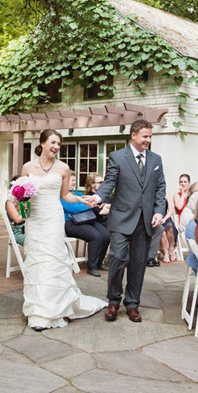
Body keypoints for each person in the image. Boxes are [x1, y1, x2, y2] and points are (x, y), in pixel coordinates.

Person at [21, 129, 107, 331]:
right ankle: (37, 310)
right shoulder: (27, 167)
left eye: (59, 144)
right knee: (36, 262)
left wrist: (81, 199)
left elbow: (65, 195)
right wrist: (21, 206)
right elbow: (22, 193)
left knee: (52, 261)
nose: (56, 147)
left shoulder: (63, 168)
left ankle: (54, 309)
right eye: (53, 142)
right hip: (35, 220)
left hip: (53, 218)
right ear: (42, 143)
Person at [83, 119, 166, 323]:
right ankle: (113, 301)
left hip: (145, 221)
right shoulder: (117, 157)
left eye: (150, 136)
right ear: (134, 135)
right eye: (145, 136)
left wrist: (158, 211)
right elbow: (109, 182)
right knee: (118, 258)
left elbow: (160, 188)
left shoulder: (156, 160)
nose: (148, 140)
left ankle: (132, 304)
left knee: (138, 263)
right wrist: (98, 197)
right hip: (121, 218)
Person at [62, 172, 110, 277]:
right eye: (72, 180)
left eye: (75, 180)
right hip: (71, 223)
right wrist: (90, 205)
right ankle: (91, 266)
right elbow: (71, 209)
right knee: (96, 237)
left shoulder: (78, 194)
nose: (74, 183)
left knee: (106, 235)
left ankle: (99, 263)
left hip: (86, 219)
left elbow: (81, 205)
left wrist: (89, 204)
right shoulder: (62, 195)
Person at [159, 191, 178, 263]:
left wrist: (164, 219)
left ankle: (171, 248)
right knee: (162, 232)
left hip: (166, 217)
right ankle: (165, 253)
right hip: (157, 217)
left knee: (169, 226)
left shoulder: (166, 192)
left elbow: (170, 211)